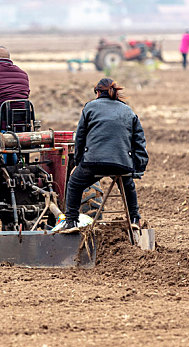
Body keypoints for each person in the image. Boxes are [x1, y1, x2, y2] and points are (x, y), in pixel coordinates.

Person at [58, 78, 149, 233]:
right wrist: (137, 168)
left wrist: (78, 163)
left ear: (98, 92)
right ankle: (134, 218)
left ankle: (71, 222)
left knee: (74, 184)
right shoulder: (128, 111)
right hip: (121, 162)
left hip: (94, 162)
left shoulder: (90, 107)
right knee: (127, 184)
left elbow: (80, 138)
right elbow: (139, 141)